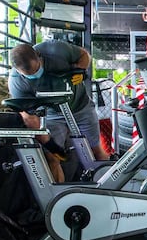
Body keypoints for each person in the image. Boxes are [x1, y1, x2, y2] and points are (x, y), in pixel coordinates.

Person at [8, 40, 109, 182]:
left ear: (38, 55)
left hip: (81, 107)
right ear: (17, 70)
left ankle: (109, 188)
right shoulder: (16, 82)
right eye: (29, 75)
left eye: (37, 69)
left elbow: (84, 55)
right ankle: (59, 196)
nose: (36, 75)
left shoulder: (55, 50)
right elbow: (29, 116)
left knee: (95, 150)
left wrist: (81, 69)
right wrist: (49, 144)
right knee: (52, 158)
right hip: (52, 115)